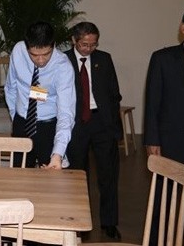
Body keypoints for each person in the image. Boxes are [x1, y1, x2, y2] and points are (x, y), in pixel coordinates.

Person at [64, 22, 122, 240]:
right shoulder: (62, 60)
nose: (89, 49)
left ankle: (109, 222)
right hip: (76, 124)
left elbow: (114, 93)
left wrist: (115, 126)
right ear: (74, 40)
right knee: (78, 176)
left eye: (93, 44)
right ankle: (80, 222)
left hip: (102, 123)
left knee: (108, 175)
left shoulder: (104, 59)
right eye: (84, 44)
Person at [143, 6, 184, 245]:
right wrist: (152, 139)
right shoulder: (163, 59)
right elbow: (152, 102)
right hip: (171, 142)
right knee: (164, 198)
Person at [4, 21, 75, 169]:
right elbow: (11, 87)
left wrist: (57, 154)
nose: (41, 60)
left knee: (51, 180)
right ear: (26, 47)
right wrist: (16, 115)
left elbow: (66, 113)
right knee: (19, 175)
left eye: (46, 54)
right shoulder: (18, 51)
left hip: (48, 126)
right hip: (22, 123)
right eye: (34, 55)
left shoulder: (63, 67)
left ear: (53, 45)